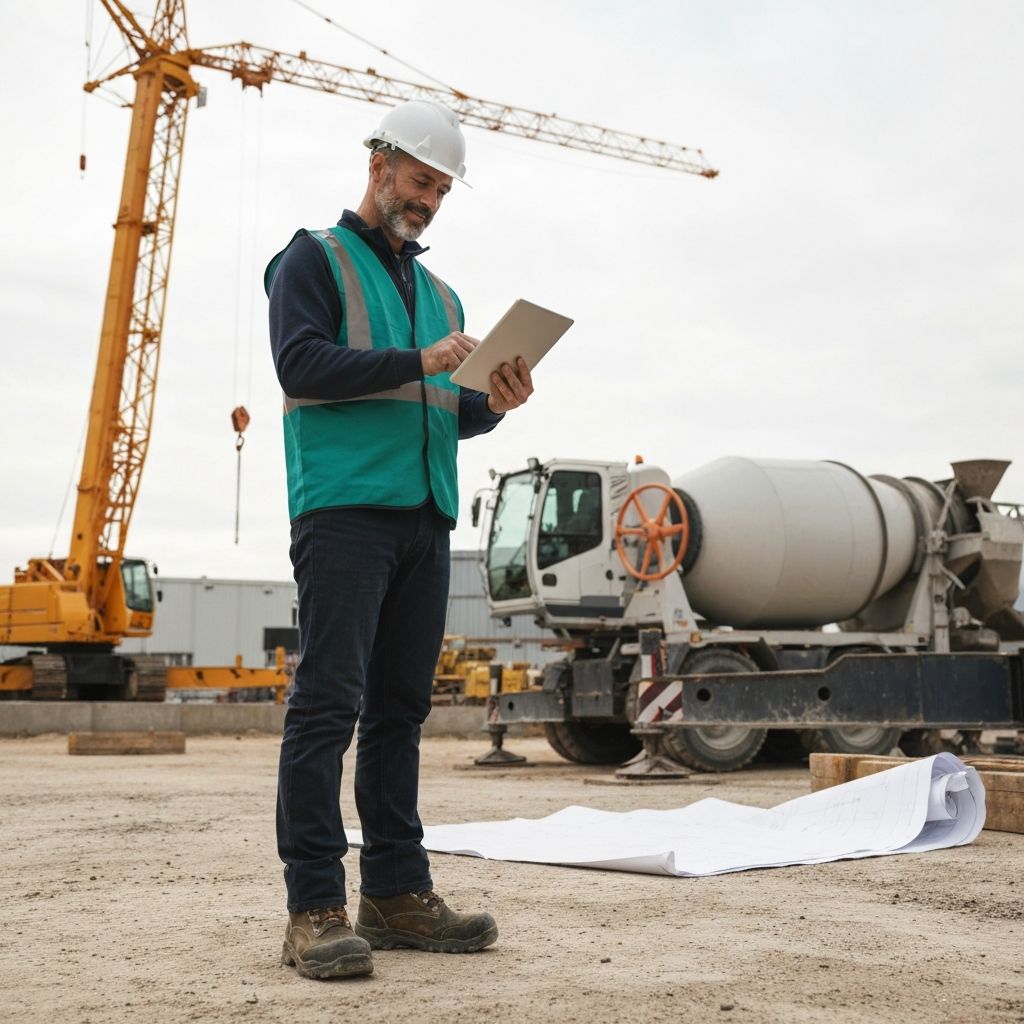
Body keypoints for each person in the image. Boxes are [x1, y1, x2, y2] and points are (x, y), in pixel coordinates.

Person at [264, 99, 533, 981]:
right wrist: (421, 363)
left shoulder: (444, 294)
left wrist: (494, 398)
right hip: (343, 513)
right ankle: (313, 909)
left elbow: (448, 413)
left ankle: (395, 893)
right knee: (326, 707)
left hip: (426, 515)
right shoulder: (313, 259)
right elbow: (301, 365)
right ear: (379, 165)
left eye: (442, 190)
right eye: (421, 181)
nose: (429, 201)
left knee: (399, 715)